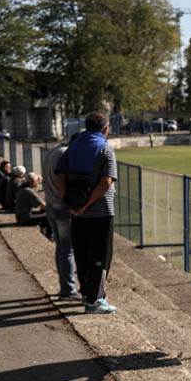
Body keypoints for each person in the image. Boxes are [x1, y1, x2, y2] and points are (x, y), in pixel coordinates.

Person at [54, 112, 119, 315]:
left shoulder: (73, 146)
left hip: (77, 213)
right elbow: (106, 182)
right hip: (101, 213)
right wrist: (87, 204)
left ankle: (85, 293)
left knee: (81, 254)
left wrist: (72, 203)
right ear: (105, 128)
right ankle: (95, 300)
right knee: (101, 256)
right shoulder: (105, 148)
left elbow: (60, 176)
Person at [42, 137, 80, 300]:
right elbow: (64, 181)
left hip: (51, 204)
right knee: (68, 249)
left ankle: (65, 286)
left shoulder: (52, 151)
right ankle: (68, 289)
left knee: (62, 247)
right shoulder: (65, 154)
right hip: (62, 207)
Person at [15, 172, 51, 237]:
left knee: (44, 212)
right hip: (26, 219)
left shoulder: (23, 187)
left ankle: (43, 231)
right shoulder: (29, 191)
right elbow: (44, 206)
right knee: (51, 214)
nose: (39, 183)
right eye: (38, 181)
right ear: (33, 182)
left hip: (20, 216)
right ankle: (49, 235)